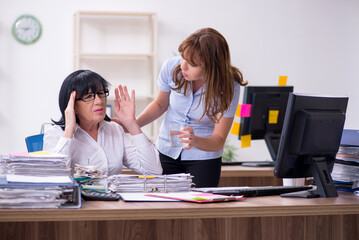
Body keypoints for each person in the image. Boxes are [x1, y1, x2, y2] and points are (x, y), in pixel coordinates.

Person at [136, 28, 248, 187]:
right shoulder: (171, 67)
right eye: (183, 57)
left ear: (211, 66)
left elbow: (218, 140)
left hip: (204, 159)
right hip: (166, 151)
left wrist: (195, 140)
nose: (183, 66)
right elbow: (160, 105)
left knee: (198, 210)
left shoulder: (229, 85)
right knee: (161, 206)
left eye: (193, 64)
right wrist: (132, 124)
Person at [43, 69, 162, 177]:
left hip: (111, 200)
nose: (99, 101)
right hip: (78, 200)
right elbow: (53, 176)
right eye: (89, 96)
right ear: (72, 105)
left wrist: (132, 124)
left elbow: (153, 171)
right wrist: (69, 130)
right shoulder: (55, 134)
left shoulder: (115, 130)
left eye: (100, 94)